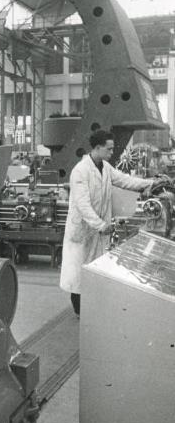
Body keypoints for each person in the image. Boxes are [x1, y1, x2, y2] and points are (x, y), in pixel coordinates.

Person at [60, 129, 155, 316]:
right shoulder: (80, 171)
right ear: (97, 148)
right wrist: (101, 225)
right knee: (79, 275)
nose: (112, 153)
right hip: (83, 230)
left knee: (94, 269)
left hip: (97, 230)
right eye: (109, 149)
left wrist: (149, 183)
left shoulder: (105, 167)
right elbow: (83, 205)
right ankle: (80, 312)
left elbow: (125, 181)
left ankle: (91, 310)